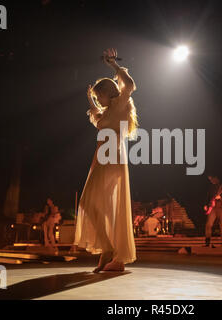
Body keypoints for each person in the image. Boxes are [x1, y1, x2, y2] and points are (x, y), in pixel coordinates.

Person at [74, 48, 137, 273]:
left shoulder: (120, 105)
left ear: (109, 94)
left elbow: (129, 85)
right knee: (96, 205)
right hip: (101, 160)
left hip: (111, 158)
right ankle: (107, 250)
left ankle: (109, 249)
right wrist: (90, 97)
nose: (99, 100)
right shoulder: (108, 112)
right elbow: (97, 117)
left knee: (90, 203)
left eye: (100, 95)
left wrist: (113, 65)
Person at [204, 176, 222, 247]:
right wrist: (206, 204)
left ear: (216, 178)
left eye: (212, 179)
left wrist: (221, 198)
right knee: (208, 224)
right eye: (210, 179)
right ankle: (207, 242)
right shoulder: (211, 188)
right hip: (212, 208)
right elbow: (208, 197)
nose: (211, 181)